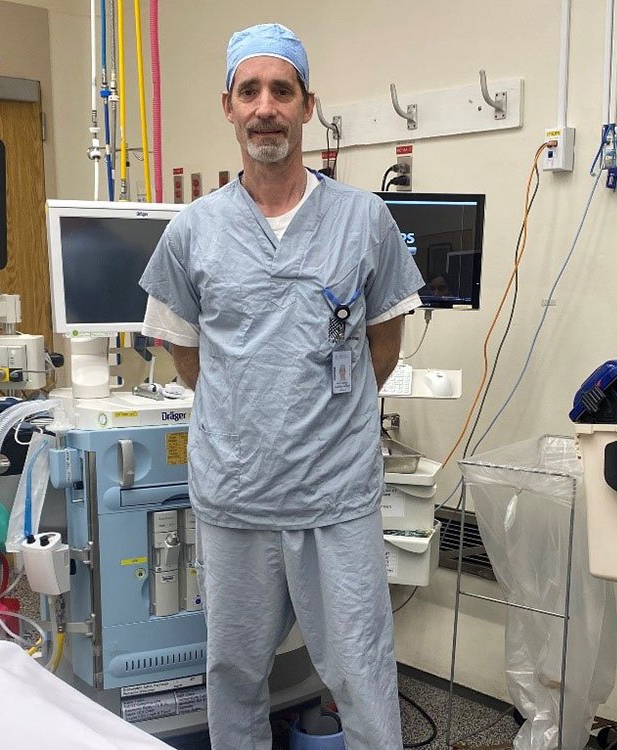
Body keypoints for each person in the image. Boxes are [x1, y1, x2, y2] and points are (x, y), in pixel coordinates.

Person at [138, 22, 425, 750]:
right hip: (236, 494)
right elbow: (186, 354)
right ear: (229, 107)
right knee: (234, 670)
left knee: (360, 670)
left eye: (282, 91)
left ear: (306, 106)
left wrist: (316, 411)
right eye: (250, 91)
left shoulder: (365, 221)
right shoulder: (192, 231)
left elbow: (381, 348)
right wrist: (248, 410)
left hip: (335, 495)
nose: (266, 107)